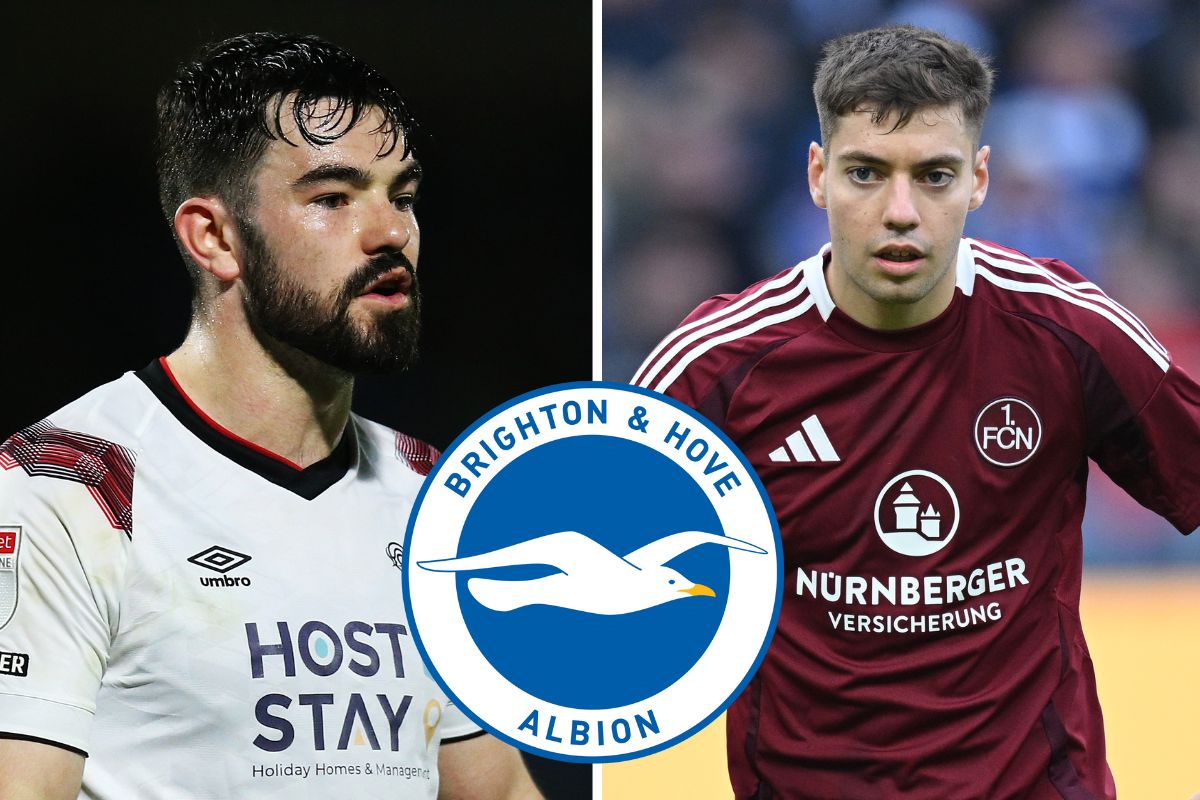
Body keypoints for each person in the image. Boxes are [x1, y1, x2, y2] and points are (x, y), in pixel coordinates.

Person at [634, 24, 1200, 800]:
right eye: (866, 173)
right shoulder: (713, 367)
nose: (900, 211)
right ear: (816, 174)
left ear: (978, 179)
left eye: (933, 176)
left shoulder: (1066, 329)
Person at [0, 32, 541, 800]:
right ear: (215, 238)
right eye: (333, 197)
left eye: (403, 195)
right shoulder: (70, 487)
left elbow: (498, 793)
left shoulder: (438, 495)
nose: (391, 232)